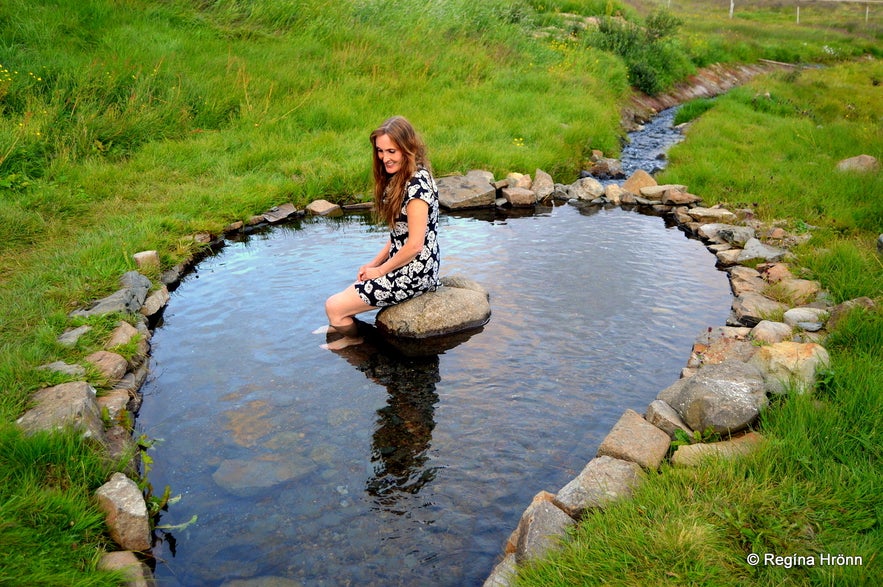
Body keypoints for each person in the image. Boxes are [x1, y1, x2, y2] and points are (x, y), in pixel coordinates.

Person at [321, 116, 440, 350]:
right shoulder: (402, 177)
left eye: (391, 151)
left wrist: (381, 270)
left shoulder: (417, 187)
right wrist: (372, 264)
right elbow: (399, 234)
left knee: (334, 306)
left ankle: (355, 341)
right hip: (403, 265)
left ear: (408, 148)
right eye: (380, 151)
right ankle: (339, 326)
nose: (385, 158)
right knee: (348, 292)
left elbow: (414, 245)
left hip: (416, 272)